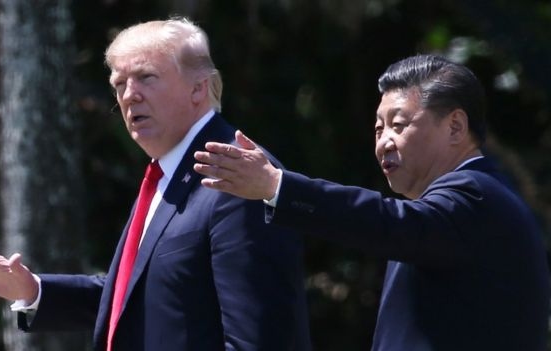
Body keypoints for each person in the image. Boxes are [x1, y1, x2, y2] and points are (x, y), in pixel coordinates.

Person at [0, 17, 311, 351]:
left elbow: (260, 339)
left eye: (146, 77)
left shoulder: (236, 176)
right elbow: (137, 294)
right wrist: (33, 290)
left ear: (198, 89)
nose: (128, 95)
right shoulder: (170, 171)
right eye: (119, 84)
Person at [193, 54, 550, 351]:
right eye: (379, 129)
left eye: (399, 124)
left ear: (456, 127)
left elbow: (383, 220)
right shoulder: (454, 205)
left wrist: (277, 186)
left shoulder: (475, 195)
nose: (384, 143)